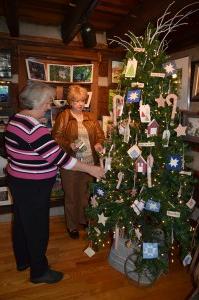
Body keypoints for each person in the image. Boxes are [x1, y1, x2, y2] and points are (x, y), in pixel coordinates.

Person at [4, 82, 104, 285]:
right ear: (38, 102)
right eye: (48, 102)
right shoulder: (35, 129)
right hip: (33, 186)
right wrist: (92, 169)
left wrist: (38, 121)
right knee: (37, 228)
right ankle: (39, 272)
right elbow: (62, 159)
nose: (50, 106)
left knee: (23, 223)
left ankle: (24, 260)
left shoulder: (16, 119)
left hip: (19, 180)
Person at [52, 85, 105, 239]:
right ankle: (72, 225)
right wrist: (70, 144)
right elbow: (56, 136)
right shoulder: (64, 116)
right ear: (70, 102)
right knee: (71, 195)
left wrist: (98, 144)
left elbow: (100, 135)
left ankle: (85, 220)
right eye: (76, 101)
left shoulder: (91, 117)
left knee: (86, 194)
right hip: (71, 162)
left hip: (90, 163)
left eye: (82, 101)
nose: (80, 104)